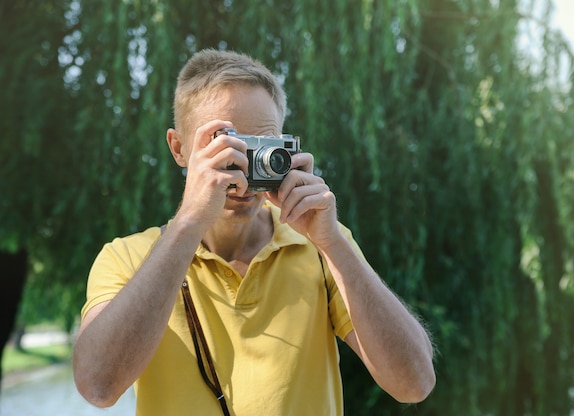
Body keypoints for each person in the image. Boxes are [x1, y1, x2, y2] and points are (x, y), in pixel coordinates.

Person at [73, 48, 435, 415]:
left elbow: (414, 383)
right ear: (179, 149)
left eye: (261, 148)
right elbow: (98, 386)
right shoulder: (126, 258)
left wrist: (333, 244)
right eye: (226, 148)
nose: (243, 174)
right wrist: (189, 223)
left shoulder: (320, 243)